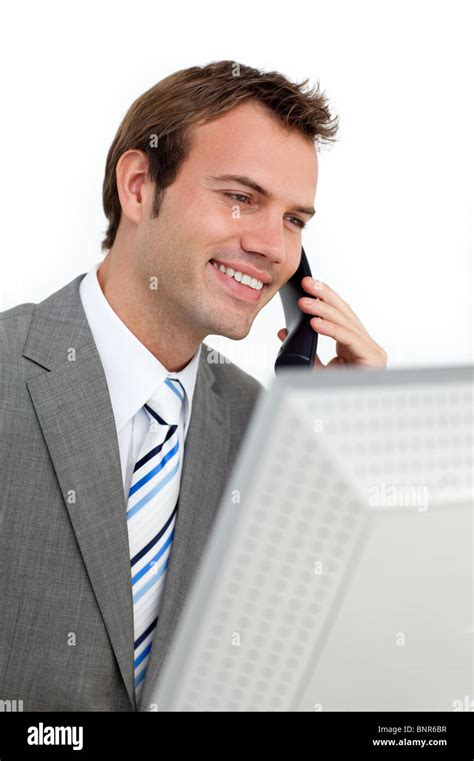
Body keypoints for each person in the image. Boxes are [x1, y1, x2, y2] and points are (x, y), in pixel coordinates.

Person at [0, 60, 387, 712]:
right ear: (139, 186)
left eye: (295, 220)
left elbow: (316, 669)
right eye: (241, 197)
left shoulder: (265, 429)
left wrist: (338, 445)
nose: (273, 247)